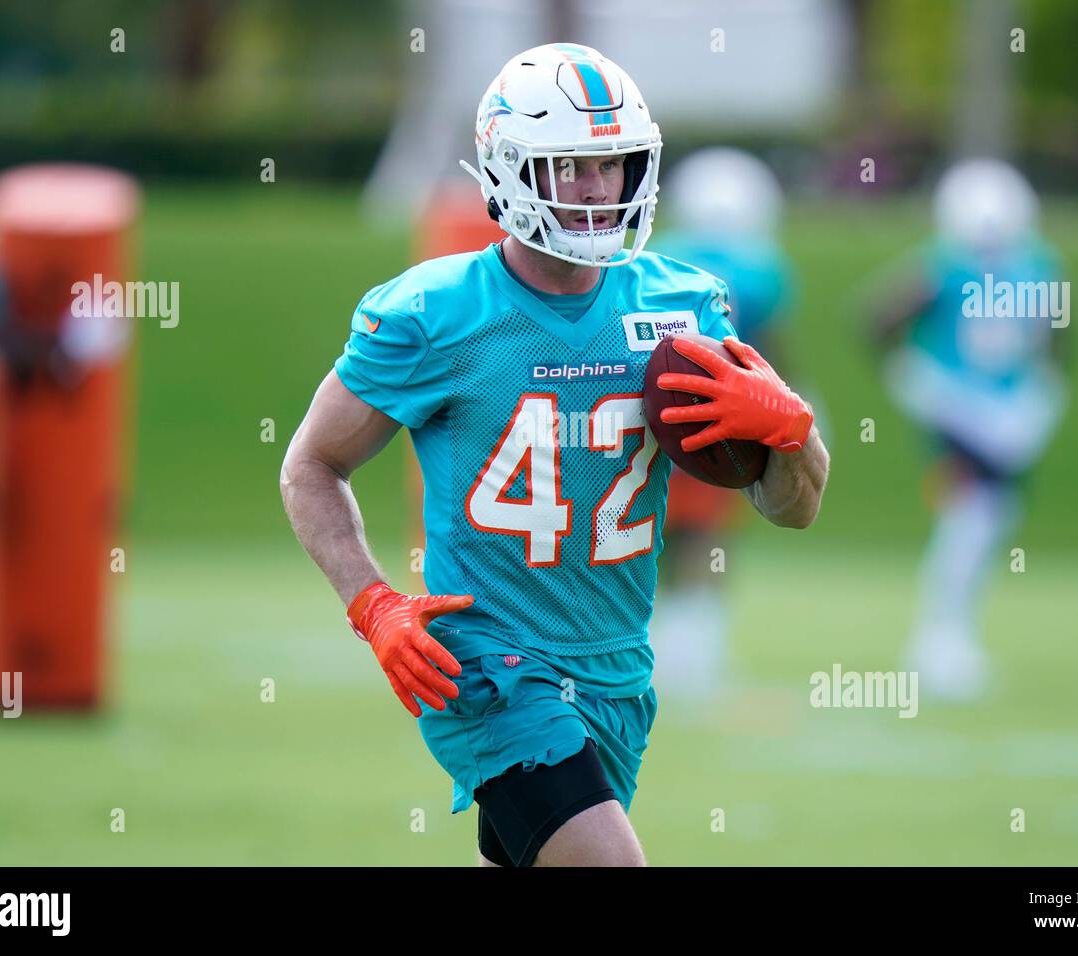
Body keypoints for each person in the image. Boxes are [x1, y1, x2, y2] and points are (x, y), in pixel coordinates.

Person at [280, 43, 828, 867]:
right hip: (489, 664)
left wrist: (792, 429)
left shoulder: (684, 305)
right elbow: (311, 466)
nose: (596, 186)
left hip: (615, 671)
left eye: (612, 162)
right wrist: (373, 603)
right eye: (569, 163)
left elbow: (794, 507)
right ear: (508, 169)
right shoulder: (434, 311)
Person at [870, 158, 1068, 701]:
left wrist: (1044, 389)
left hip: (1007, 411)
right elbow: (878, 318)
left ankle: (951, 637)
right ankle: (939, 640)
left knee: (990, 519)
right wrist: (916, 378)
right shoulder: (946, 266)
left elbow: (1057, 333)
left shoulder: (1033, 266)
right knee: (969, 518)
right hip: (957, 408)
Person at [646, 147, 801, 702]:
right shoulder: (763, 270)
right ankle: (699, 644)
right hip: (730, 419)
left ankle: (664, 641)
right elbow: (773, 358)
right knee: (709, 536)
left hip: (657, 416)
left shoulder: (660, 258)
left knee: (653, 531)